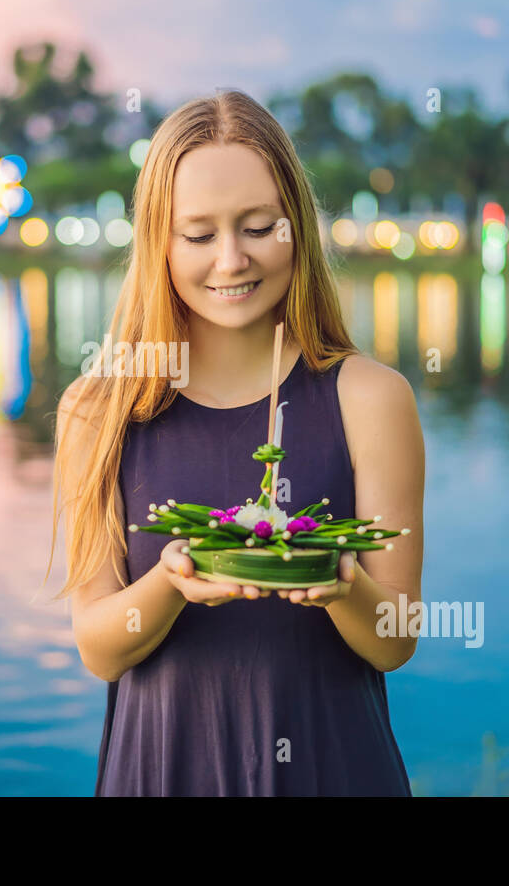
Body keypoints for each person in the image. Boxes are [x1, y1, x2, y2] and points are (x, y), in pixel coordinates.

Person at [46, 90, 424, 795]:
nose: (231, 260)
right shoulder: (98, 411)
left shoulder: (371, 399)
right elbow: (99, 647)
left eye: (257, 227)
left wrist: (341, 583)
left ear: (297, 230)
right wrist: (171, 583)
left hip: (330, 767)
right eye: (198, 235)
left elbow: (396, 637)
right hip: (162, 768)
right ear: (159, 240)